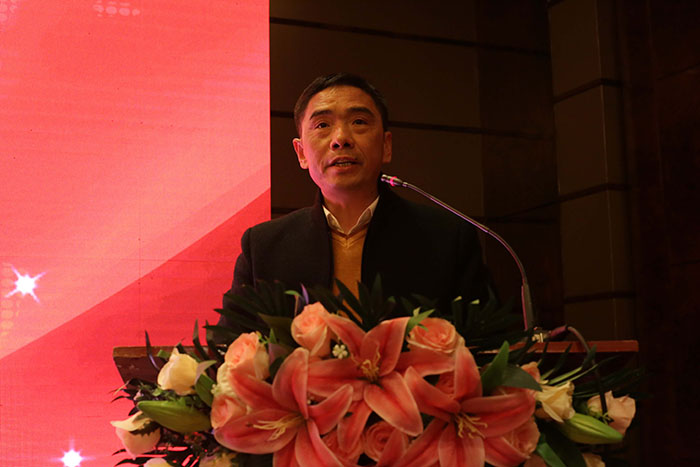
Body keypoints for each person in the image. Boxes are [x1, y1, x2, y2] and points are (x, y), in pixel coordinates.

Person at [219, 73, 489, 329]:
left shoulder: (447, 239)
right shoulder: (264, 248)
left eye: (358, 122)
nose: (341, 139)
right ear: (301, 153)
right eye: (322, 125)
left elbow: (489, 343)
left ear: (386, 146)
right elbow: (229, 349)